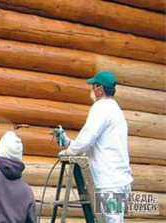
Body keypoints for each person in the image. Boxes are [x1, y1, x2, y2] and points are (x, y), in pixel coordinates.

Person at [56, 70, 133, 223]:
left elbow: (85, 140)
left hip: (109, 184)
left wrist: (68, 152)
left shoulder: (101, 108)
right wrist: (68, 142)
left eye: (93, 86)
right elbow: (97, 144)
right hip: (120, 182)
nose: (91, 90)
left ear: (100, 89)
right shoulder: (115, 110)